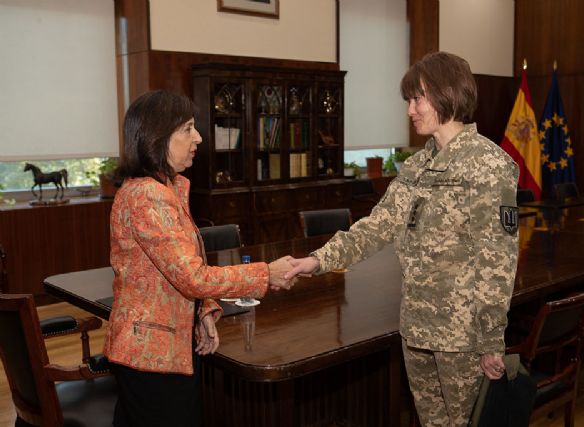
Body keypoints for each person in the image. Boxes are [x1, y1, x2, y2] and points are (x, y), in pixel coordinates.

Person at [282, 52, 519, 427]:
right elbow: (378, 226)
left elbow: (498, 260)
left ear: (447, 95)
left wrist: (491, 339)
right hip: (417, 328)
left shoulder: (487, 165)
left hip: (462, 338)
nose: (410, 109)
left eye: (417, 98)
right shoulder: (417, 166)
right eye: (408, 100)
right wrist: (317, 260)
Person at [103, 90, 292, 427]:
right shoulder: (147, 195)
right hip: (151, 356)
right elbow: (192, 276)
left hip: (165, 345)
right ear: (158, 135)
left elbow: (175, 271)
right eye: (187, 128)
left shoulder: (166, 188)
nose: (199, 138)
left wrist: (203, 311)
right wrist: (266, 273)